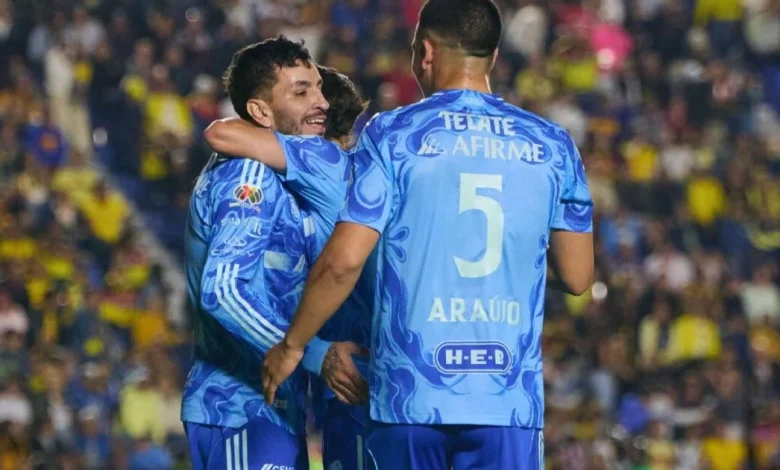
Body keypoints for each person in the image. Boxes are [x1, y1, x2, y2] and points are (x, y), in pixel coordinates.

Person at [262, 1, 595, 469]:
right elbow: (577, 276)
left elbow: (344, 261)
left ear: (426, 52)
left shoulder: (392, 134)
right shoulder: (551, 144)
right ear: (493, 57)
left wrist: (293, 345)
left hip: (409, 396)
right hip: (507, 400)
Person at [183, 37, 365, 470]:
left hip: (272, 409)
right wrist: (315, 354)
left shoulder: (283, 175)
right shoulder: (248, 174)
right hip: (239, 407)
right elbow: (224, 291)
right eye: (301, 92)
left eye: (318, 87)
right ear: (261, 112)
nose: (321, 102)